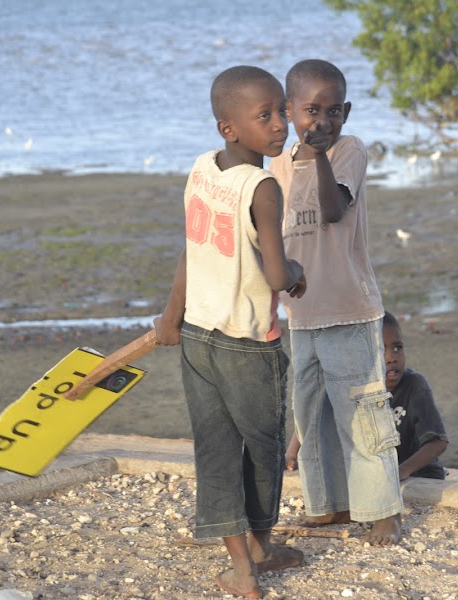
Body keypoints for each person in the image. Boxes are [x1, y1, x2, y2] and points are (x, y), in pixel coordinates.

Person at [154, 65, 307, 599]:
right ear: (229, 128)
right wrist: (298, 275)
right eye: (264, 116)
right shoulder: (262, 186)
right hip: (246, 345)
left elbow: (191, 252)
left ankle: (247, 560)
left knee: (216, 450)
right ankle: (251, 558)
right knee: (263, 449)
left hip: (197, 336)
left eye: (282, 111)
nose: (280, 125)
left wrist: (171, 316)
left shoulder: (201, 171)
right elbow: (276, 275)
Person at [268, 59, 403, 546]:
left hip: (349, 309)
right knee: (311, 415)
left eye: (332, 111)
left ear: (346, 112)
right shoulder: (277, 169)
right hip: (301, 317)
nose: (321, 122)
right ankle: (329, 505)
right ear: (288, 111)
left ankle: (384, 511)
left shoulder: (348, 151)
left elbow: (331, 209)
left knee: (362, 416)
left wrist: (319, 155)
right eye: (310, 111)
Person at [286, 311, 449, 480]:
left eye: (397, 348)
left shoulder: (414, 385)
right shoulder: (353, 385)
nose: (391, 357)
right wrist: (291, 454)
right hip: (373, 474)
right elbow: (312, 413)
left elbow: (438, 442)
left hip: (417, 475)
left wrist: (402, 471)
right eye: (380, 350)